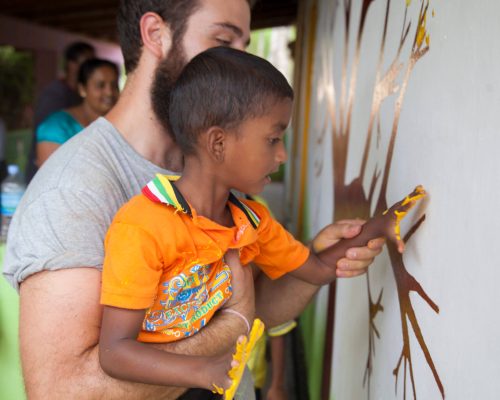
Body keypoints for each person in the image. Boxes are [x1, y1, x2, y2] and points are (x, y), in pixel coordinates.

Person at [3, 1, 384, 399]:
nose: (238, 62)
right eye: (222, 40)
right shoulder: (75, 190)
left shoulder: (223, 166)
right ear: (156, 35)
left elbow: (253, 301)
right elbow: (65, 393)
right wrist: (230, 328)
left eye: (245, 45)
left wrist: (317, 262)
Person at [26, 41, 95, 180]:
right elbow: (47, 137)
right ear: (71, 64)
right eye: (88, 63)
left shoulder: (80, 95)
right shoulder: (54, 97)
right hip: (48, 175)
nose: (91, 68)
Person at [35, 58, 120, 166]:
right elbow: (51, 180)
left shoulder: (121, 126)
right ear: (82, 89)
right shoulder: (55, 126)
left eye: (114, 85)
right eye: (100, 85)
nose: (109, 92)